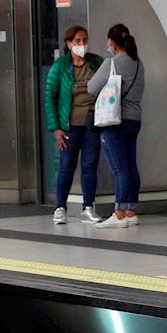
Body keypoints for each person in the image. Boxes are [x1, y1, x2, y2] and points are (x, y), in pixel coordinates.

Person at [44, 25, 105, 224]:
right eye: (77, 41)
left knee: (89, 165)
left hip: (92, 124)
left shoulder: (96, 62)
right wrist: (56, 129)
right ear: (69, 44)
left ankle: (88, 207)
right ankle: (60, 208)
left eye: (84, 40)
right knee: (67, 166)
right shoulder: (60, 66)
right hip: (69, 125)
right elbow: (50, 97)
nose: (82, 44)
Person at [87, 24, 144, 229]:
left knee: (119, 169)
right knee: (131, 166)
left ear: (112, 42)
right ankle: (131, 211)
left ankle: (119, 213)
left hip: (114, 119)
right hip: (134, 119)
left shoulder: (112, 63)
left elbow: (92, 87)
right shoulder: (138, 63)